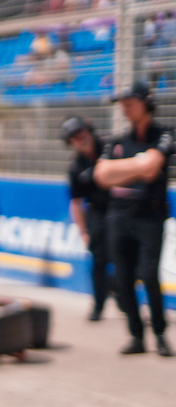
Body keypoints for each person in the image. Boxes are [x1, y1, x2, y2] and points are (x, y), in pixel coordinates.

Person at [94, 82, 173, 356]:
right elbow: (101, 176)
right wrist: (139, 166)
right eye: (123, 105)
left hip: (150, 216)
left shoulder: (163, 135)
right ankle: (136, 335)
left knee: (149, 275)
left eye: (130, 103)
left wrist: (119, 171)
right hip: (118, 216)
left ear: (146, 103)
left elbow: (153, 167)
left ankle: (160, 333)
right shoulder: (116, 140)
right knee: (123, 279)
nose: (125, 109)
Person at [62, 116, 112, 321]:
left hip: (120, 207)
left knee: (126, 257)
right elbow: (76, 202)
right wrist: (83, 231)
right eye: (74, 136)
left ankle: (118, 288)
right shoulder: (75, 167)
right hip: (96, 212)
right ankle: (98, 305)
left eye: (81, 132)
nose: (80, 137)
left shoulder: (109, 148)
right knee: (98, 260)